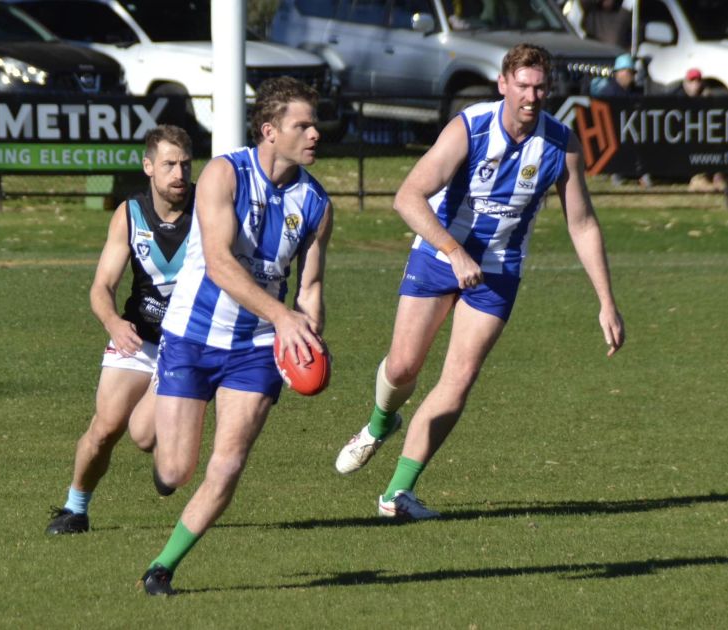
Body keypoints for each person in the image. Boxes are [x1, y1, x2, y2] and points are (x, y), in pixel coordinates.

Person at [334, 43, 625, 521]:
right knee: (404, 366)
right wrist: (453, 251)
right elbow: (408, 197)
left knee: (460, 378)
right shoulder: (470, 127)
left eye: (540, 87)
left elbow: (583, 224)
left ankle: (397, 495)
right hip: (438, 254)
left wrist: (606, 302)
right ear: (503, 84)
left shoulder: (561, 144)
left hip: (500, 269)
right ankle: (377, 424)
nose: (532, 96)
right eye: (523, 86)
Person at [139, 76, 333, 595]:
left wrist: (307, 331)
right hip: (192, 335)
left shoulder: (316, 204)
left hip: (256, 350)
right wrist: (283, 314)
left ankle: (162, 567)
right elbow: (222, 265)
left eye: (315, 124)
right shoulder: (224, 174)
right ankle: (149, 417)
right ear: (270, 130)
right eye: (303, 125)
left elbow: (310, 287)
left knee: (226, 465)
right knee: (176, 471)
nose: (315, 133)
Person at [44, 124, 194, 535]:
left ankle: (171, 454)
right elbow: (101, 286)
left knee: (144, 437)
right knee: (106, 426)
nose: (179, 174)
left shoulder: (208, 211)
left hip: (187, 342)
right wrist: (113, 321)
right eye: (168, 165)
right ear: (148, 167)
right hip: (138, 335)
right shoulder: (129, 214)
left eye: (184, 164)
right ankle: (75, 509)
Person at [593, 54, 653, 187]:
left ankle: (643, 174)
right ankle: (617, 172)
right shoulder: (608, 92)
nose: (630, 75)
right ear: (618, 73)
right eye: (627, 72)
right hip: (613, 131)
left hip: (634, 130)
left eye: (632, 72)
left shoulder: (637, 92)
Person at [671, 68, 728, 192]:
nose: (695, 85)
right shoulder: (677, 97)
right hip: (680, 141)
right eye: (692, 81)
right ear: (685, 82)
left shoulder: (707, 96)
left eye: (698, 81)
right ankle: (699, 179)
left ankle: (718, 177)